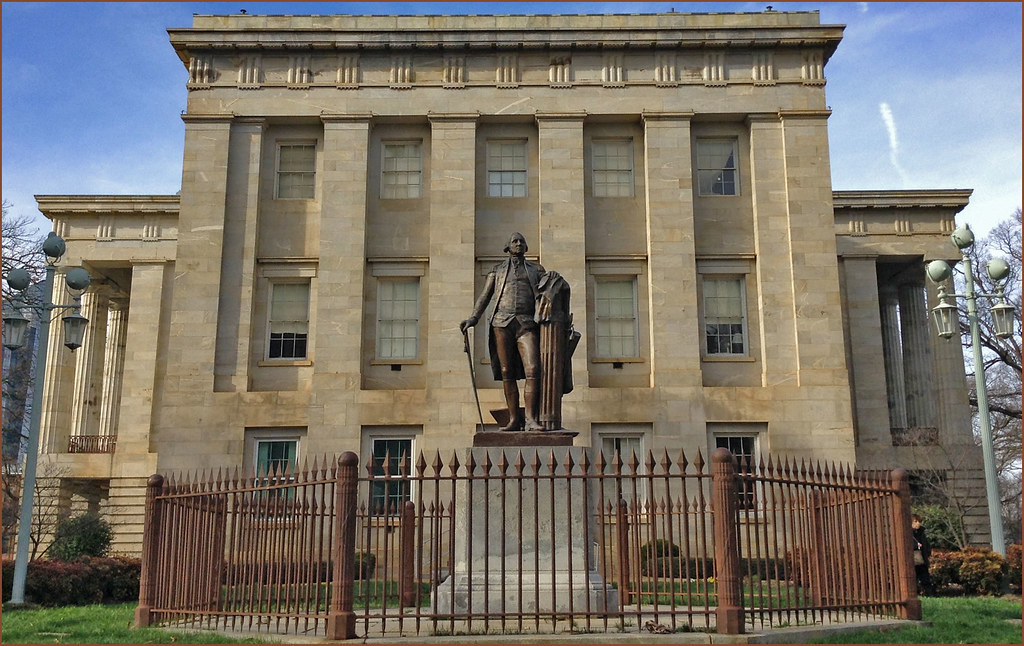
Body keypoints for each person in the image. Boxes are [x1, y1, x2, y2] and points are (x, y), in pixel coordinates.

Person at [461, 232, 545, 431]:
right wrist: (473, 318)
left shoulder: (537, 270)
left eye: (522, 241)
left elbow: (548, 293)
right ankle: (515, 419)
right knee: (507, 372)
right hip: (501, 323)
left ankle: (531, 419)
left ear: (526, 247)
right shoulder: (497, 270)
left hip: (526, 323)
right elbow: (484, 296)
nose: (518, 244)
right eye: (514, 241)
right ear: (507, 247)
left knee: (533, 369)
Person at [912, 513, 934, 596]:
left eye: (919, 521)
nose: (918, 523)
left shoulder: (921, 532)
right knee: (913, 581)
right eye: (915, 521)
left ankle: (930, 595)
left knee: (926, 580)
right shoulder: (908, 533)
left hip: (922, 560)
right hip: (913, 560)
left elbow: (926, 545)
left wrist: (927, 553)